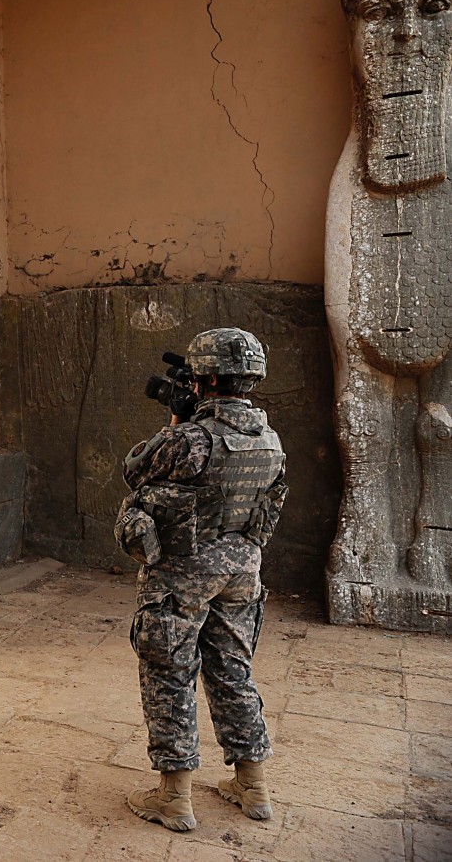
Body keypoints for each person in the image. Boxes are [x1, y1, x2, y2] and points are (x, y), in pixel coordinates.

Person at [115, 328, 288, 832]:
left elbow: (136, 470)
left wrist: (176, 420)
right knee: (232, 667)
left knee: (169, 674)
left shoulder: (190, 438)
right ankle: (252, 785)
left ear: (206, 378)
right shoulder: (269, 438)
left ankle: (174, 798)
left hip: (182, 577)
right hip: (243, 571)